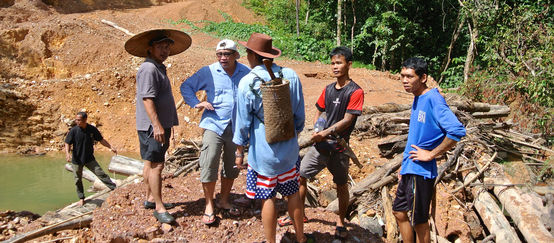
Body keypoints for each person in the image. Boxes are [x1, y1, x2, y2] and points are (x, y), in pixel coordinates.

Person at [233, 33, 312, 243]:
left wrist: (239, 149)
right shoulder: (291, 75)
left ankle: (270, 241)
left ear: (251, 54)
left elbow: (242, 123)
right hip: (289, 149)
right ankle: (301, 237)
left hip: (263, 153)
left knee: (267, 197)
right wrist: (293, 132)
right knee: (292, 192)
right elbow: (300, 116)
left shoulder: (247, 82)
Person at [289, 46, 364, 240]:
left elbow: (348, 120)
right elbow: (319, 110)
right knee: (301, 175)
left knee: (341, 185)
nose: (335, 67)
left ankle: (340, 222)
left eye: (339, 63)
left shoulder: (356, 92)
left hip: (339, 148)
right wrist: (316, 127)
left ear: (349, 64)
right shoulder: (328, 89)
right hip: (321, 146)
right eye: (332, 63)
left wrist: (325, 133)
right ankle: (300, 215)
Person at [392, 57, 466, 243]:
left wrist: (431, 154)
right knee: (399, 212)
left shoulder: (433, 99)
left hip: (422, 172)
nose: (404, 80)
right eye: (402, 76)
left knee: (419, 221)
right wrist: (404, 165)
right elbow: (415, 137)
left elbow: (457, 130)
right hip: (411, 168)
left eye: (409, 76)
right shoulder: (418, 99)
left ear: (423, 77)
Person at [180, 39, 250, 225]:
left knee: (231, 165)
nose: (223, 58)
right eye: (219, 54)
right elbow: (186, 86)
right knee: (209, 160)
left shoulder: (246, 73)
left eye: (227, 54)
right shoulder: (209, 71)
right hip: (214, 123)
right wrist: (197, 102)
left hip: (236, 127)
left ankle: (224, 200)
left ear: (236, 55)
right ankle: (209, 204)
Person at [125, 29, 192, 224]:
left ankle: (150, 199)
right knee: (157, 165)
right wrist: (157, 125)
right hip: (153, 127)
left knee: (150, 162)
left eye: (167, 47)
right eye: (161, 47)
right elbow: (147, 98)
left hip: (156, 125)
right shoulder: (149, 69)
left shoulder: (157, 67)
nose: (165, 51)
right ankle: (159, 208)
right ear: (150, 48)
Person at [64, 111, 117, 206]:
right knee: (77, 179)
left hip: (89, 158)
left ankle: (114, 189)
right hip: (77, 160)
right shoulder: (73, 130)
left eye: (79, 120)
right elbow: (67, 142)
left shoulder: (92, 129)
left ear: (85, 120)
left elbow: (101, 140)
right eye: (76, 120)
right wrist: (67, 153)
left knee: (100, 173)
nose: (77, 122)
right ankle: (81, 198)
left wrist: (110, 147)